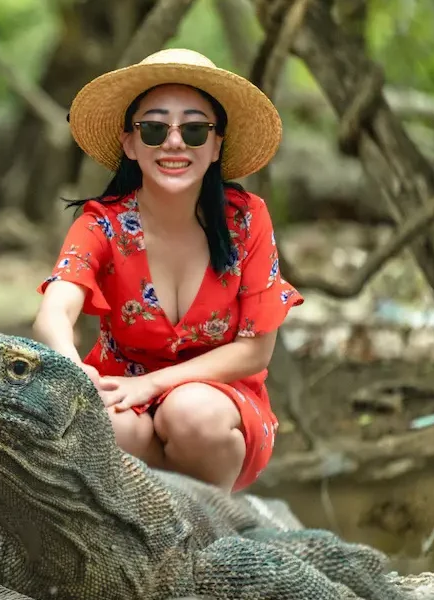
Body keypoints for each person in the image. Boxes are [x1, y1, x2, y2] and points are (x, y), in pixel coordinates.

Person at [31, 48, 303, 493]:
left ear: (216, 145)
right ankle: (156, 536)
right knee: (100, 426)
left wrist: (154, 385)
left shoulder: (248, 220)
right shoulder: (102, 225)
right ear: (130, 143)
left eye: (194, 129)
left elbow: (255, 351)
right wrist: (74, 370)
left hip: (220, 411)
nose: (174, 142)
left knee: (191, 413)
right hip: (122, 403)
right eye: (154, 128)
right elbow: (53, 313)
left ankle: (206, 539)